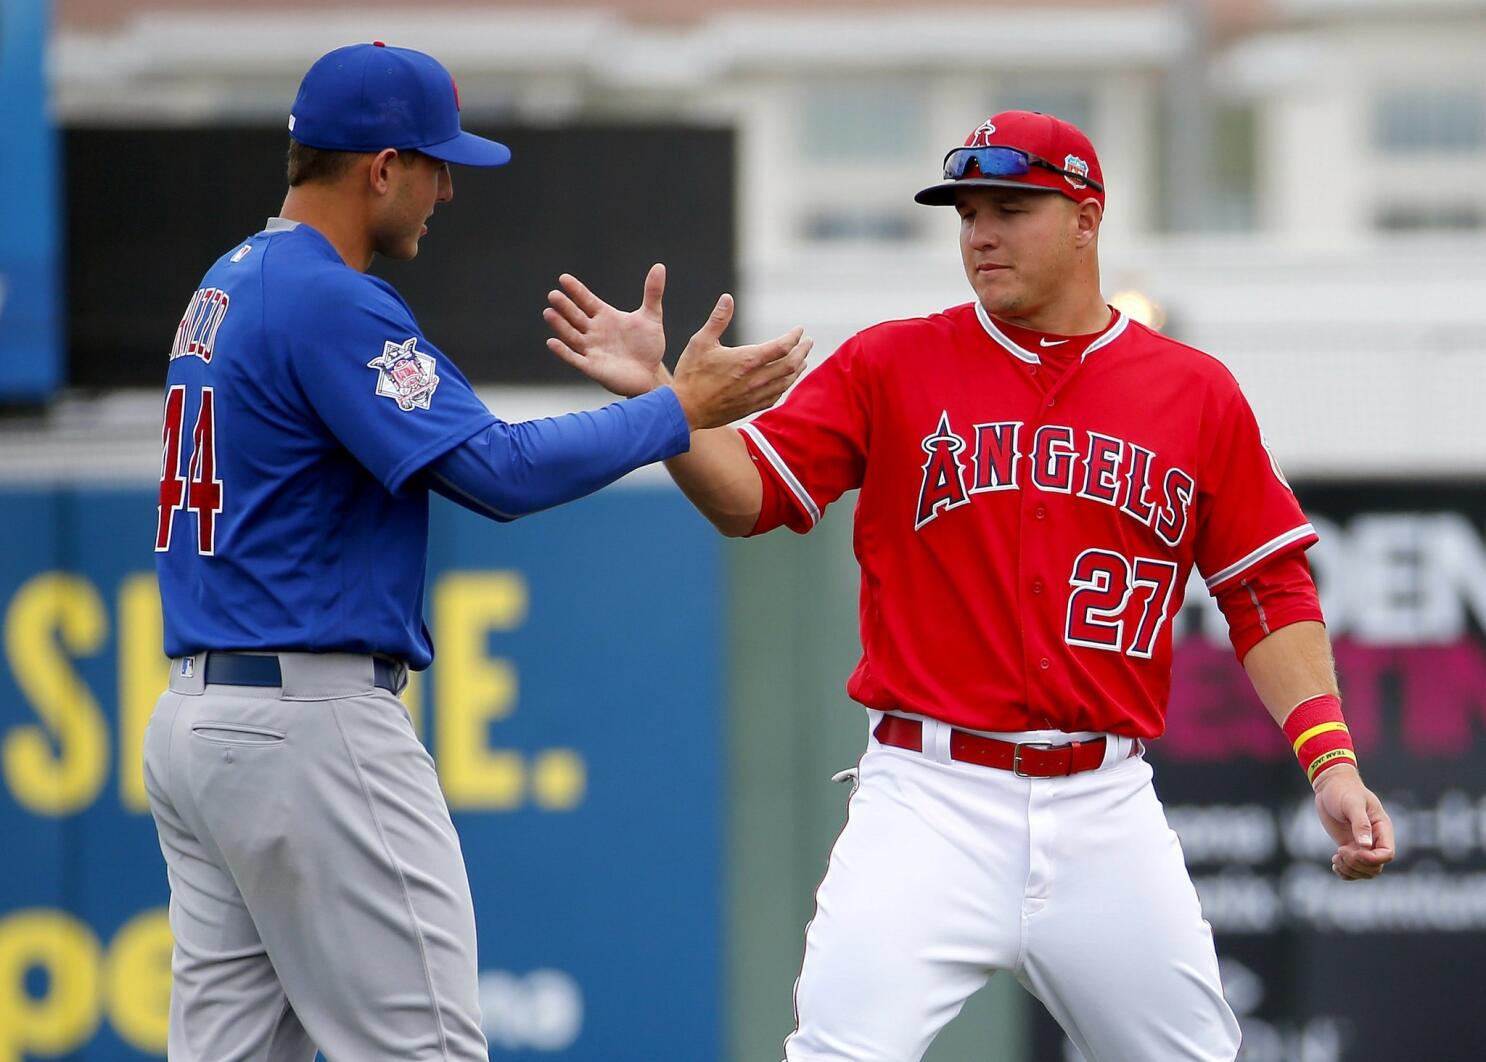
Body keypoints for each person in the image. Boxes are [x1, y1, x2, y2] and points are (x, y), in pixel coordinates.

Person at [544, 110, 1395, 1061]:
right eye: (967, 213)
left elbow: (1265, 590)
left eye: (1010, 207)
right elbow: (747, 499)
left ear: (1087, 217)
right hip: (930, 796)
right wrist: (664, 408)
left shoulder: (1193, 392)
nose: (980, 233)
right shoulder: (893, 362)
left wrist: (1332, 763)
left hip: (1103, 805)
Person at [144, 41, 809, 1062]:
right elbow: (495, 472)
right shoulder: (328, 295)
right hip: (306, 725)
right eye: (434, 163)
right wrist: (676, 410)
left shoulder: (226, 280)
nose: (447, 188)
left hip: (199, 719)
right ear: (379, 168)